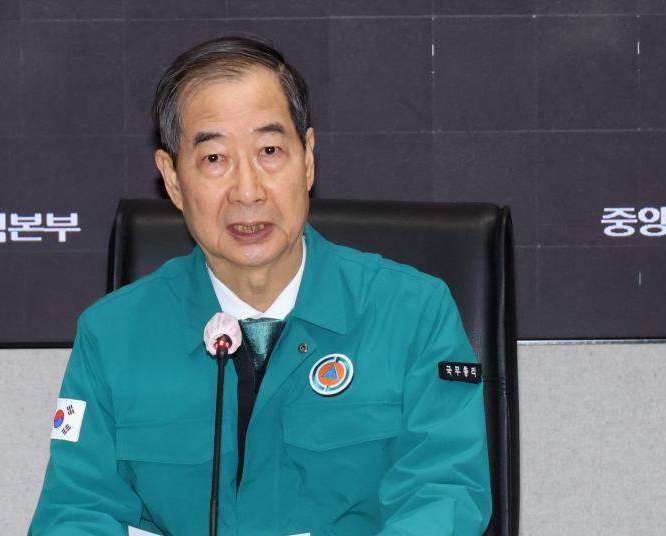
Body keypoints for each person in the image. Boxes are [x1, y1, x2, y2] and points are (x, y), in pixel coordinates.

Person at [28, 36, 491, 536]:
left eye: (269, 151)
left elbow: (444, 496)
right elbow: (74, 514)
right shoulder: (112, 336)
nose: (247, 192)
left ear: (307, 159)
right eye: (214, 159)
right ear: (173, 179)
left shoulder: (414, 314)